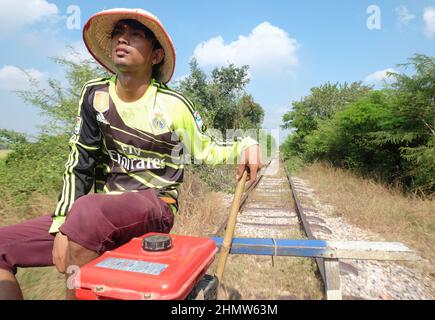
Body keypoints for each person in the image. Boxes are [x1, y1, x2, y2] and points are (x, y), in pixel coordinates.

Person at [0, 8, 262, 300]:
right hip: (93, 213)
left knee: (88, 210)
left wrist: (247, 143)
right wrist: (63, 223)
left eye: (135, 35)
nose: (122, 39)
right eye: (118, 33)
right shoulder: (94, 96)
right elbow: (79, 162)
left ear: (155, 56)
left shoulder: (172, 105)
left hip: (154, 205)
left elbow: (207, 149)